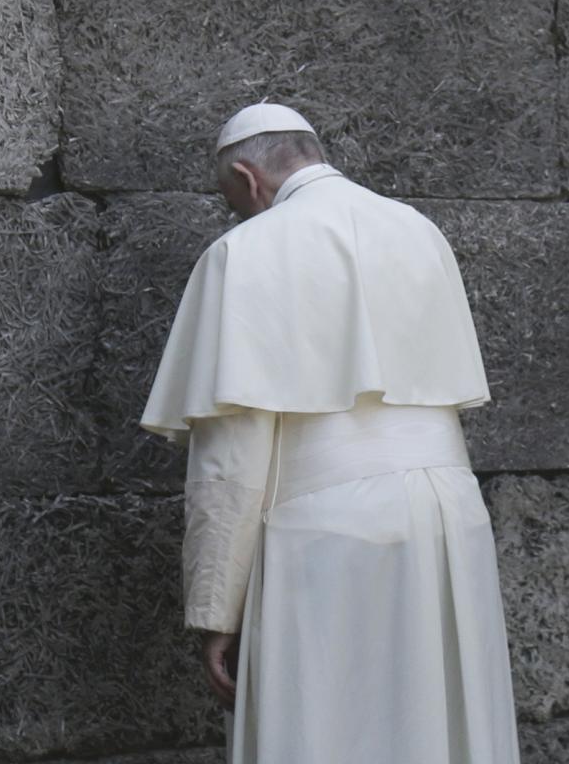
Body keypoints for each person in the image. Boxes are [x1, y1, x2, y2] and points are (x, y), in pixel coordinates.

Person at [139, 102, 523, 764]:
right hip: (451, 520)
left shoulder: (243, 252)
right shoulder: (418, 230)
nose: (236, 212)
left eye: (232, 198)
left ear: (245, 176)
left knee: (329, 733)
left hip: (328, 532)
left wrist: (215, 612)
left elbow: (232, 459)